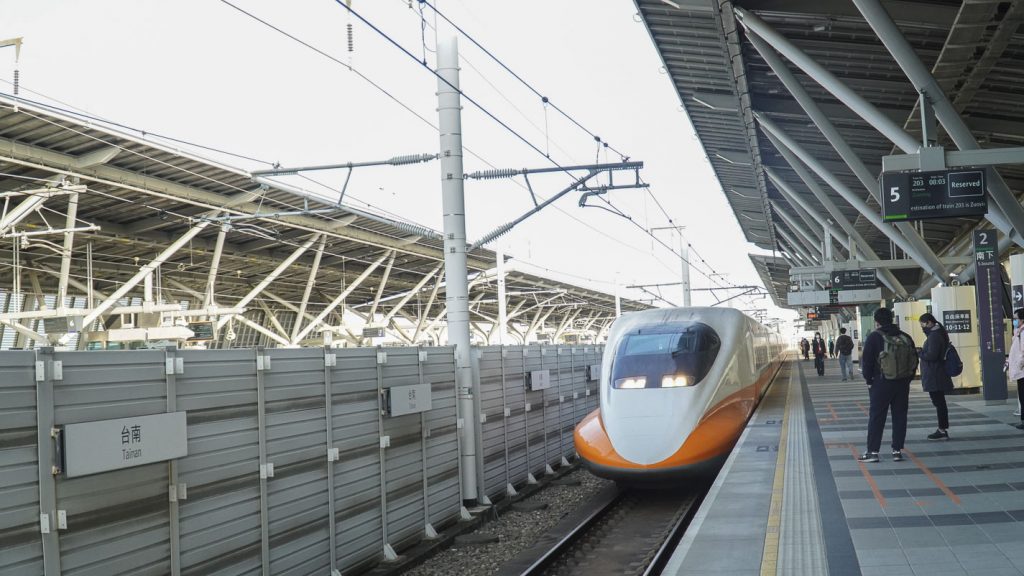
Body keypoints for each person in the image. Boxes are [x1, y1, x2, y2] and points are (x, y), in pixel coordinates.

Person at [858, 308, 918, 463]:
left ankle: (872, 452)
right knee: (900, 416)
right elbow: (914, 361)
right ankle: (897, 451)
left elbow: (867, 363)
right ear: (891, 319)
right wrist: (907, 379)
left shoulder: (874, 337)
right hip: (902, 384)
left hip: (881, 383)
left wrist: (870, 381)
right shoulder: (905, 337)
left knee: (877, 417)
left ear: (876, 322)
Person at [918, 313, 953, 440]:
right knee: (940, 402)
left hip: (935, 374)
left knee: (939, 403)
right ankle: (942, 428)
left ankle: (942, 429)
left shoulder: (934, 336)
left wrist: (920, 352)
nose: (922, 327)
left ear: (928, 322)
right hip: (937, 373)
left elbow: (932, 356)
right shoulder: (938, 333)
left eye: (922, 324)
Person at [1008, 308, 1024, 430]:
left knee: (1023, 396)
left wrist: (1018, 366)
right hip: (1020, 370)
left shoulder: (1023, 333)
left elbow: (1022, 352)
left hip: (1022, 370)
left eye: (1015, 319)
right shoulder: (1019, 332)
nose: (1014, 321)